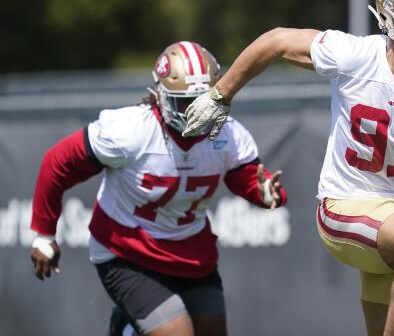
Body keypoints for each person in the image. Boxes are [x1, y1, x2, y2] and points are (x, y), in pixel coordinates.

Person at [182, 0, 394, 336]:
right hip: (345, 207)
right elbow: (276, 41)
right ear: (390, 15)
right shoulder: (356, 55)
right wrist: (220, 94)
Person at [29, 41, 287, 336]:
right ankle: (127, 326)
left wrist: (264, 192)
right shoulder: (131, 130)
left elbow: (247, 179)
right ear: (161, 95)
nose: (195, 113)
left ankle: (128, 327)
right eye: (185, 103)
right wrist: (44, 233)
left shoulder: (227, 134)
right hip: (128, 251)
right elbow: (58, 162)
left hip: (191, 251)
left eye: (203, 102)